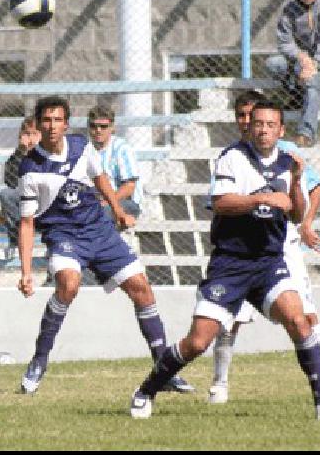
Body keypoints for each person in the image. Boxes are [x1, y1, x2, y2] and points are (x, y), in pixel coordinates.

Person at [129, 98, 320, 422]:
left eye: (271, 125)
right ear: (249, 127)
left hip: (269, 263)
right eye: (259, 124)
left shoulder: (289, 163)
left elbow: (296, 213)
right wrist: (262, 198)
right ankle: (146, 391)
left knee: (298, 320)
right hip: (230, 264)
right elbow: (221, 203)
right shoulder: (231, 158)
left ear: (281, 130)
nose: (264, 130)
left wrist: (296, 182)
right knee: (198, 342)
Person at [16, 96, 193, 395]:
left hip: (100, 230)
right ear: (38, 124)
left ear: (66, 124)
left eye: (57, 120)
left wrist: (119, 211)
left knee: (142, 289)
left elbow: (101, 179)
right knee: (68, 285)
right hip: (64, 235)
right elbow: (27, 223)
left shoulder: (81, 147)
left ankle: (164, 369)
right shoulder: (30, 168)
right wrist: (25, 271)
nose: (51, 126)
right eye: (46, 120)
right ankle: (39, 360)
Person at [206, 90, 320, 406]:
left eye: (253, 116)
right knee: (232, 320)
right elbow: (220, 204)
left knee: (305, 314)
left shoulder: (288, 153)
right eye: (241, 116)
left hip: (284, 248)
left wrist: (306, 223)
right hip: (243, 252)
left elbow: (315, 187)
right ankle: (220, 381)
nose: (248, 123)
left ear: (273, 124)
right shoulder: (231, 157)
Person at [266, 0, 320, 147]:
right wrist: (301, 56)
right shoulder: (290, 9)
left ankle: (306, 133)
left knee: (312, 80)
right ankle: (296, 93)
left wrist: (314, 62)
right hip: (301, 61)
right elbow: (284, 42)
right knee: (273, 63)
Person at [87, 104, 142, 221]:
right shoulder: (85, 149)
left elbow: (129, 187)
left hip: (125, 202)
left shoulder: (122, 149)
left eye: (103, 126)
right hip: (95, 202)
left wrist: (108, 201)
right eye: (93, 126)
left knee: (99, 214)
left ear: (112, 128)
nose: (98, 130)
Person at [0, 117, 41, 254]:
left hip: (45, 201)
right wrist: (21, 152)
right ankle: (17, 238)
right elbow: (9, 181)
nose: (31, 139)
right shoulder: (17, 155)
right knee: (6, 194)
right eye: (27, 134)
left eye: (35, 134)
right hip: (25, 202)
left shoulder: (49, 153)